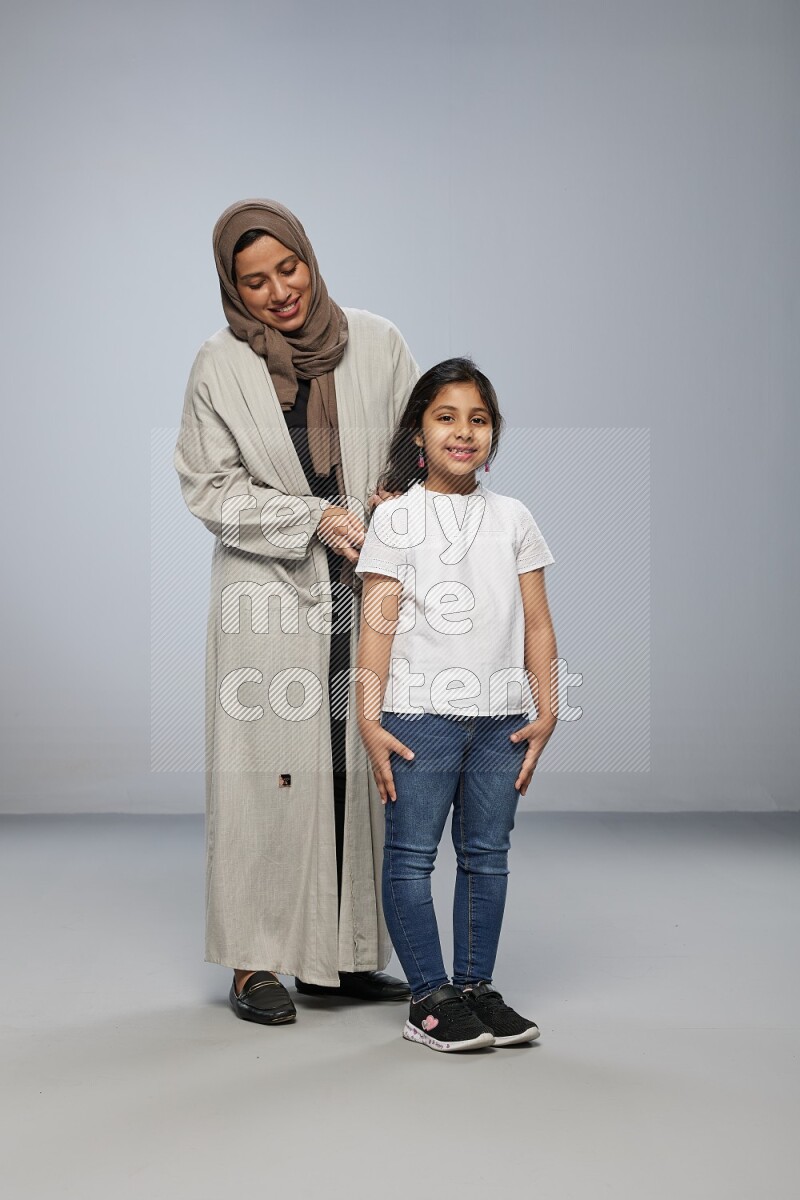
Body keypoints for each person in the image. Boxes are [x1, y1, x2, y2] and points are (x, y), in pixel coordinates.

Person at [174, 198, 418, 1024]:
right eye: (255, 281)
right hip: (266, 592)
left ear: (310, 259)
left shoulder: (379, 342)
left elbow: (414, 450)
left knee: (356, 768)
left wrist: (392, 501)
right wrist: (311, 517)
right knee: (265, 774)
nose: (279, 290)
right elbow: (209, 489)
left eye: (289, 267)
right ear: (232, 290)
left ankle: (339, 959)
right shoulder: (220, 366)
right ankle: (255, 963)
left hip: (364, 589)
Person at [354, 357, 558, 1052]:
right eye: (447, 417)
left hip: (501, 719)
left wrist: (547, 708)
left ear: (493, 434)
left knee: (486, 856)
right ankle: (429, 998)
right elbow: (377, 622)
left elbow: (536, 622)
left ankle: (475, 987)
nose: (463, 432)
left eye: (478, 419)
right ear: (420, 430)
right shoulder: (396, 518)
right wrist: (369, 718)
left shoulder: (514, 518)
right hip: (418, 717)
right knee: (412, 859)